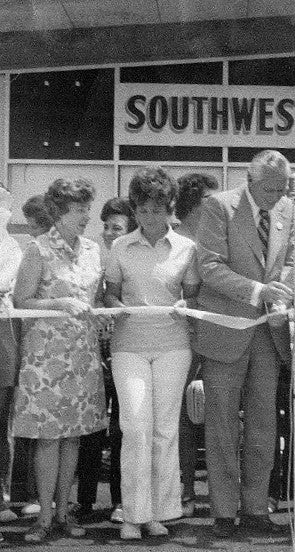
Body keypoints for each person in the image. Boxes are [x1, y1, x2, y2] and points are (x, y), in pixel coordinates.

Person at [193, 150, 293, 538]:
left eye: (282, 189)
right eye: (269, 189)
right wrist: (259, 291)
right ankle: (222, 512)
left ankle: (255, 508)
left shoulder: (286, 208)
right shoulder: (218, 206)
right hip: (225, 331)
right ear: (249, 181)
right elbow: (211, 266)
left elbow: (289, 261)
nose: (276, 196)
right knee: (221, 426)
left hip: (269, 333)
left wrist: (281, 296)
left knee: (263, 426)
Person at [104, 167, 200, 540]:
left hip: (174, 346)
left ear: (169, 208)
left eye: (156, 210)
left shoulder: (186, 248)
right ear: (135, 210)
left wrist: (183, 303)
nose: (149, 218)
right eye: (142, 210)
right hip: (129, 346)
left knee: (164, 430)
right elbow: (111, 293)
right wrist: (117, 306)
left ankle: (159, 512)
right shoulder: (120, 246)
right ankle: (132, 514)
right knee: (134, 427)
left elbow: (191, 295)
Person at [12, 178, 107, 542]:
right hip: (47, 357)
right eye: (79, 210)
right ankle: (44, 517)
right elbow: (21, 301)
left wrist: (98, 313)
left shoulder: (93, 250)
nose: (86, 216)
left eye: (86, 208)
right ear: (59, 212)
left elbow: (92, 300)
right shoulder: (37, 249)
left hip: (82, 353)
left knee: (73, 438)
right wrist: (59, 304)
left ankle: (64, 511)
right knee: (49, 438)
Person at [74, 197, 137, 524]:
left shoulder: (132, 259)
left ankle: (120, 501)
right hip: (95, 355)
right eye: (107, 227)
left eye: (118, 227)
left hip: (127, 354)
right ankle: (84, 501)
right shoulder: (94, 257)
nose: (110, 233)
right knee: (91, 431)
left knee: (121, 430)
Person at [174, 172, 219, 518]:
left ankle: (221, 497)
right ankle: (184, 491)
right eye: (210, 201)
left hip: (216, 341)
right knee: (182, 420)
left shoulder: (214, 243)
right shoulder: (176, 244)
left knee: (220, 418)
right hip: (179, 342)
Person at [11, 195, 54, 517]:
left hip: (43, 348)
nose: (30, 230)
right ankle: (28, 494)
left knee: (42, 429)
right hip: (30, 346)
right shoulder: (30, 250)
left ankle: (39, 496)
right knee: (29, 425)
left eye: (34, 224)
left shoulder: (36, 250)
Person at [0, 187, 22, 536]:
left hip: (3, 337)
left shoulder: (12, 247)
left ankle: (2, 496)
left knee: (1, 422)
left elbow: (7, 283)